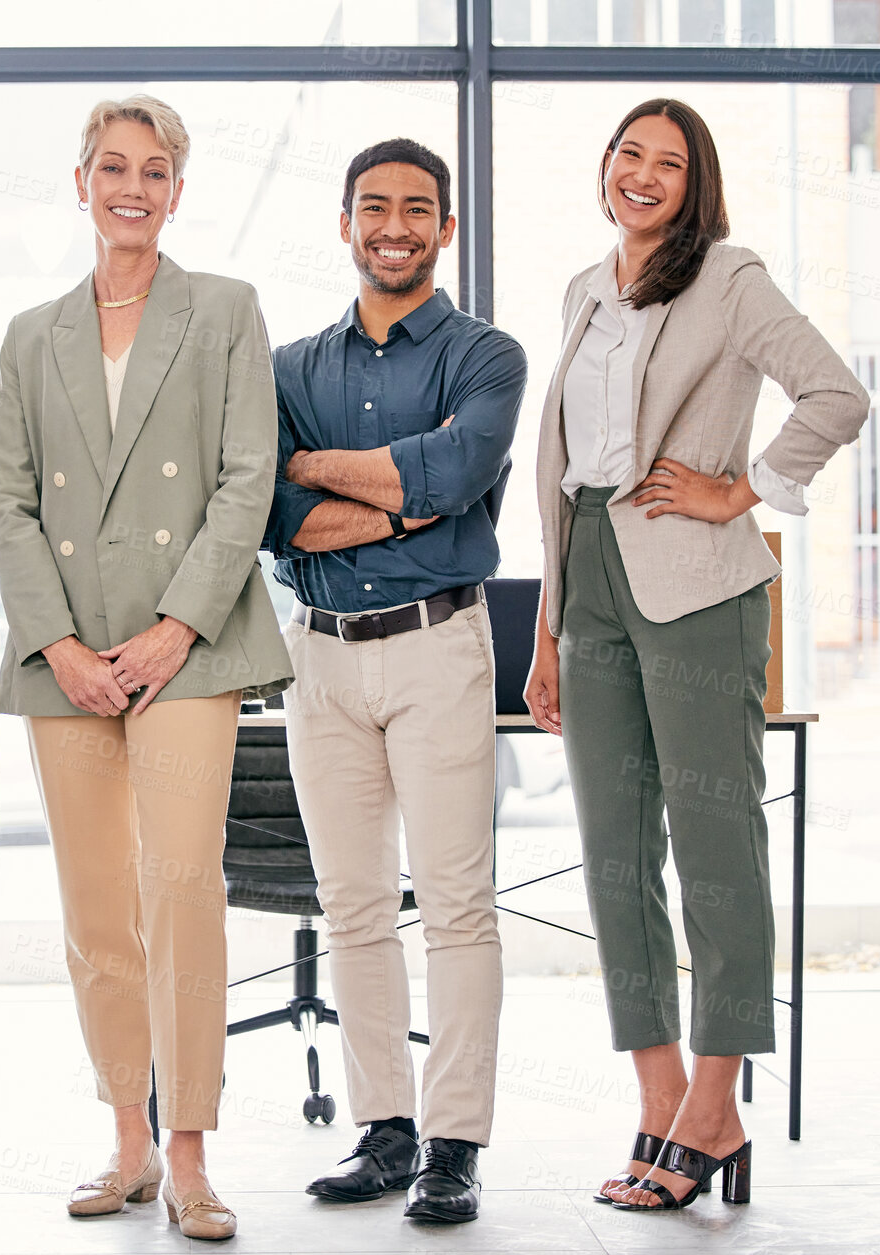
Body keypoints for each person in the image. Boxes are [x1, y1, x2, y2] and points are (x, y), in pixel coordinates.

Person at [522, 98, 869, 1212]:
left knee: (716, 847)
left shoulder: (731, 279)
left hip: (698, 581)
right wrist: (547, 625)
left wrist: (743, 490)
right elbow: (564, 470)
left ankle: (717, 1104)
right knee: (613, 855)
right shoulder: (584, 290)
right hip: (590, 580)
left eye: (668, 163)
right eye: (628, 152)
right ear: (606, 164)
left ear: (695, 182)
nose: (642, 174)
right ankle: (659, 1094)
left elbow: (837, 393)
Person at [0, 94, 291, 1241]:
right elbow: (8, 503)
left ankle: (194, 1152)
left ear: (176, 191)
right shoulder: (30, 335)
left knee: (180, 890)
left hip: (187, 651)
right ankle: (127, 1140)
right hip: (66, 656)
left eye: (154, 169)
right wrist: (61, 643)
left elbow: (246, 478)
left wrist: (174, 629)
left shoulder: (224, 311)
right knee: (95, 904)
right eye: (113, 166)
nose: (133, 184)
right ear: (81, 184)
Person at [263, 138, 526, 1226]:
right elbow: (271, 518)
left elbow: (460, 476)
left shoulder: (489, 356)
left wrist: (319, 468)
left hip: (438, 647)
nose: (395, 225)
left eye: (418, 209)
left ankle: (454, 1140)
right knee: (353, 904)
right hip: (318, 654)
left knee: (458, 904)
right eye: (375, 206)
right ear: (344, 223)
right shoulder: (286, 369)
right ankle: (385, 1128)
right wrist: (403, 495)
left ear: (445, 228)